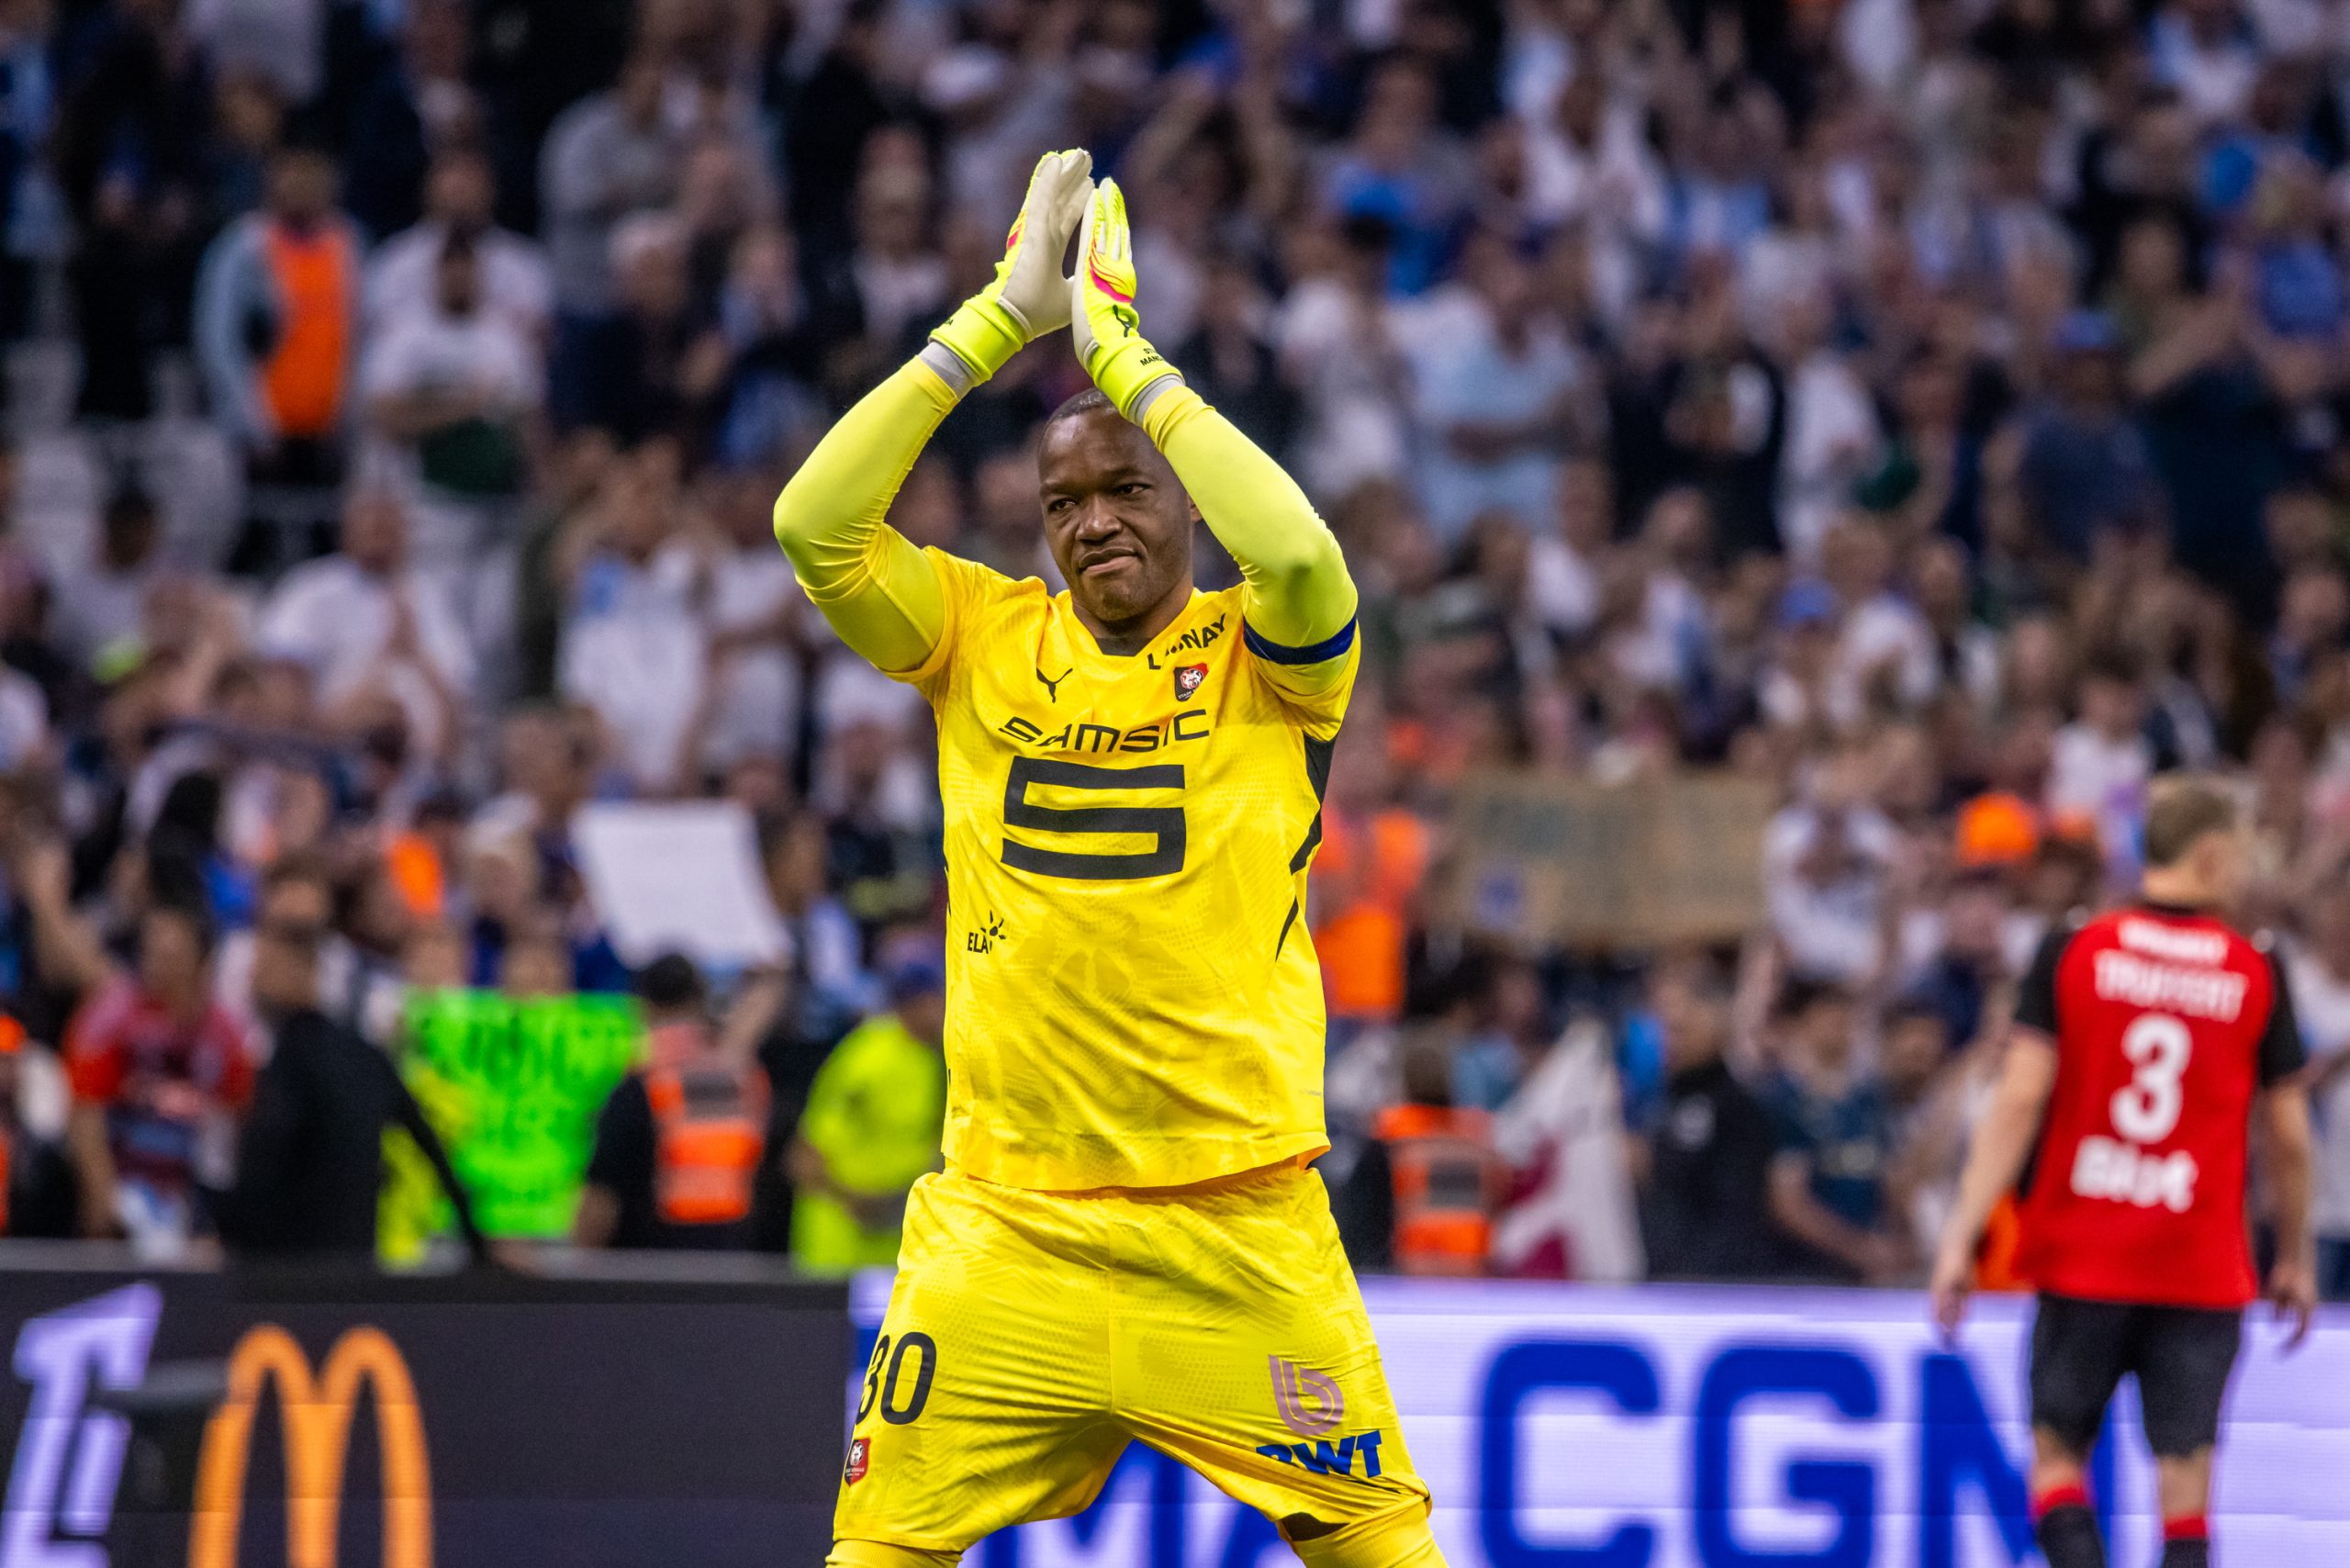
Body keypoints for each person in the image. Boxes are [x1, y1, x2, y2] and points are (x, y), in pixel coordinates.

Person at [772, 153, 1445, 1563]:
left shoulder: (1266, 657)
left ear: (1188, 500)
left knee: (1382, 1547)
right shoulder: (980, 635)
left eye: (1126, 489)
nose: (1094, 523)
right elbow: (814, 528)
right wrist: (996, 325)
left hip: (1235, 1226)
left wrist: (1127, 364)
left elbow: (1304, 560)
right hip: (1006, 1227)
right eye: (1065, 502)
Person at [1931, 777, 2318, 1568]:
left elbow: (2018, 1100)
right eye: (2242, 854)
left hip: (2086, 1256)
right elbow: (2289, 1135)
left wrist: (1960, 1233)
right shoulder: (2256, 969)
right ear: (2210, 855)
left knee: (2057, 1459)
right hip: (2200, 1266)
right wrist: (2297, 1256)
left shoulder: (2076, 948)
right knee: (2185, 1487)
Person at [219, 865, 485, 1262]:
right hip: (357, 1267)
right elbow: (429, 1144)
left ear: (301, 970)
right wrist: (478, 1243)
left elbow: (264, 1163)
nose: (254, 978)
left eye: (264, 967)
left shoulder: (291, 1062)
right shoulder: (365, 1055)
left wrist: (229, 1235)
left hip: (287, 1270)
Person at [573, 954, 778, 1251]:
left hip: (656, 1260)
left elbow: (604, 1194)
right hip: (735, 1252)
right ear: (699, 1000)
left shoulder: (644, 1081)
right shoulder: (747, 1079)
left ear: (644, 1006)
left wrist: (578, 1261)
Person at [787, 946, 946, 1277]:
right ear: (916, 1002)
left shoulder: (936, 1058)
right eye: (939, 999)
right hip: (842, 1231)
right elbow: (806, 1155)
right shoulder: (867, 1057)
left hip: (893, 1232)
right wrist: (853, 1200)